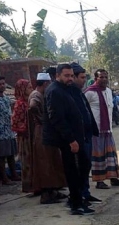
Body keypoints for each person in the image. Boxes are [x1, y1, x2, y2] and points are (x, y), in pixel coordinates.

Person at [43, 63, 95, 215]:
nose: (70, 78)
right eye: (66, 76)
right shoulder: (54, 91)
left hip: (78, 137)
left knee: (84, 166)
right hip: (66, 140)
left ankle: (78, 199)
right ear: (57, 76)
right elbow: (57, 119)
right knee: (73, 171)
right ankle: (75, 204)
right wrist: (71, 140)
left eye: (72, 75)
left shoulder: (71, 89)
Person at [84, 69, 119, 189]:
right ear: (96, 78)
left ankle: (113, 178)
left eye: (105, 77)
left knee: (111, 155)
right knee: (98, 156)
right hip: (96, 130)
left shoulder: (108, 91)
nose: (104, 79)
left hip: (108, 129)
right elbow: (83, 109)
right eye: (101, 77)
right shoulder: (89, 92)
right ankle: (99, 181)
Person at [29, 73, 67, 204]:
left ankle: (53, 191)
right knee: (45, 162)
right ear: (45, 84)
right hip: (41, 132)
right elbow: (33, 106)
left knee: (52, 161)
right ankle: (46, 194)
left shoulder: (42, 94)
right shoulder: (36, 95)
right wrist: (40, 119)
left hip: (46, 130)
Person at [69, 63, 102, 205]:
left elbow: (86, 112)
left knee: (86, 165)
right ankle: (78, 197)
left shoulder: (79, 93)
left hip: (87, 135)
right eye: (81, 77)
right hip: (77, 138)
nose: (84, 80)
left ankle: (86, 193)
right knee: (79, 168)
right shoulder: (68, 94)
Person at [11, 79, 34, 193]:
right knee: (27, 161)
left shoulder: (29, 101)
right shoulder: (19, 104)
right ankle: (28, 185)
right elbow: (15, 122)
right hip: (25, 137)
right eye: (29, 87)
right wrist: (25, 129)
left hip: (32, 135)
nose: (31, 89)